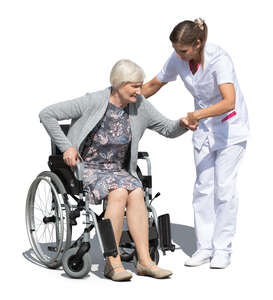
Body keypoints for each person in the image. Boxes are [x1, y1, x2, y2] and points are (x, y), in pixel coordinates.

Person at [39, 59, 188, 281]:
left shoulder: (140, 105)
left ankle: (145, 261)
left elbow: (167, 128)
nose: (140, 91)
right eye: (134, 86)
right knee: (118, 192)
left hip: (117, 169)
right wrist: (67, 147)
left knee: (136, 192)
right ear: (118, 84)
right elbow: (47, 114)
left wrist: (184, 123)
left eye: (140, 85)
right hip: (86, 166)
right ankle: (113, 263)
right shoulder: (93, 101)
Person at [142, 18, 249, 269]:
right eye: (176, 50)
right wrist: (122, 98)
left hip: (230, 128)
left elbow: (229, 101)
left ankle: (222, 248)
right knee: (203, 187)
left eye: (183, 50)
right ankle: (204, 247)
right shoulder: (178, 58)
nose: (178, 55)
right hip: (203, 129)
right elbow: (155, 83)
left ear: (198, 44)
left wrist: (196, 116)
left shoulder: (219, 59)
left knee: (223, 188)